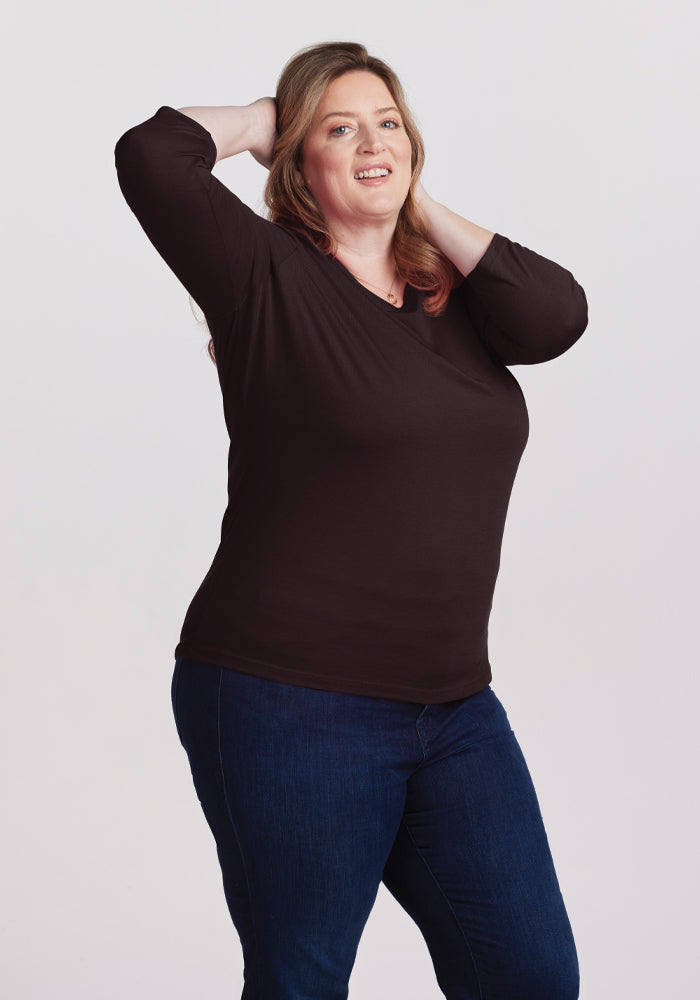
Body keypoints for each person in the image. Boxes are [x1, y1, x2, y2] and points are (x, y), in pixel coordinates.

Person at [114, 41, 587, 1000]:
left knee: (530, 977)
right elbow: (150, 157)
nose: (372, 141)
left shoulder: (458, 302)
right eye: (339, 128)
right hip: (288, 700)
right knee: (303, 981)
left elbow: (557, 316)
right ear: (300, 161)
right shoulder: (265, 278)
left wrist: (411, 204)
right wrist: (260, 119)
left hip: (454, 708)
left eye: (388, 123)